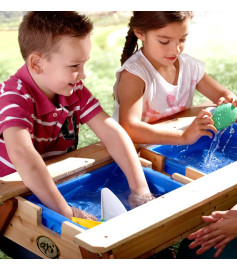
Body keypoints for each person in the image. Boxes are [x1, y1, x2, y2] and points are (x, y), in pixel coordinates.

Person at [0, 11, 154, 221]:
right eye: (74, 66)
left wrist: (140, 189)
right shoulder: (13, 97)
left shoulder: (73, 89)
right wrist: (66, 213)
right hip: (15, 198)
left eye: (84, 63)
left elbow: (111, 132)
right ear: (36, 63)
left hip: (57, 181)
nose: (84, 74)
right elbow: (23, 156)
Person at [112, 11, 237, 145]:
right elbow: (129, 129)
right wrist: (183, 137)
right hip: (134, 149)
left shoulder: (189, 66)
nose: (176, 50)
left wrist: (230, 102)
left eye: (182, 39)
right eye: (164, 41)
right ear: (140, 32)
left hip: (171, 143)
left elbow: (222, 94)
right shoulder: (134, 75)